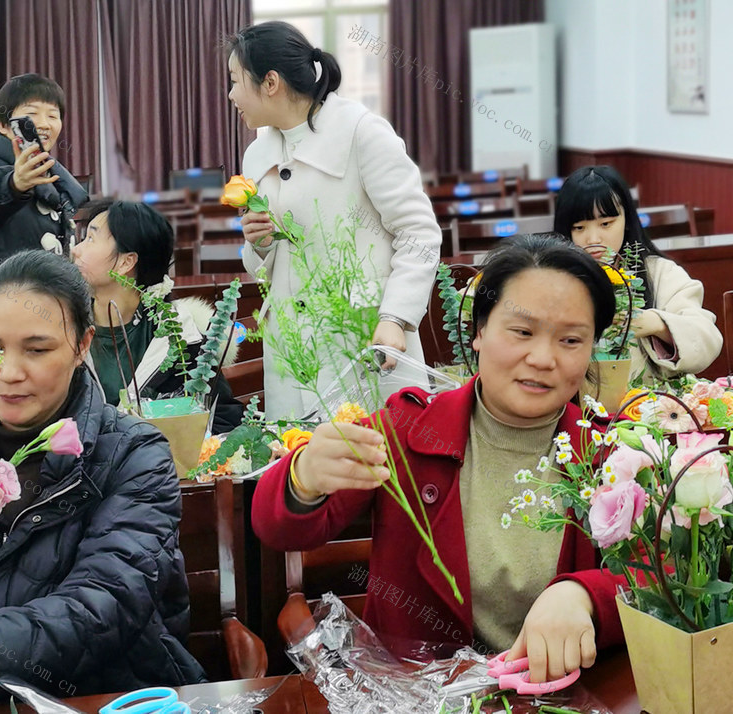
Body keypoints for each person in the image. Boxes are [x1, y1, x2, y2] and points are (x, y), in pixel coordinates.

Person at [252, 234, 627, 684]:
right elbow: (281, 528)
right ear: (480, 332)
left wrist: (584, 594)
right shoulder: (407, 431)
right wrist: (304, 477)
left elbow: (663, 575)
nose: (543, 358)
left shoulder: (611, 452)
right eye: (523, 332)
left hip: (567, 693)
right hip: (420, 696)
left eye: (570, 340)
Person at [0, 250, 206, 711]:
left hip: (105, 695)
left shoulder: (133, 453)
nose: (7, 373)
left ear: (82, 345)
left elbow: (109, 598)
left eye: (37, 350)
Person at [226, 21, 442, 420]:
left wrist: (395, 317)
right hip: (293, 350)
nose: (231, 94)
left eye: (236, 80)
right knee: (301, 454)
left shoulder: (361, 133)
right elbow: (264, 268)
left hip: (365, 340)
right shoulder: (257, 155)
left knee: (379, 451)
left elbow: (419, 233)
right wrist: (259, 244)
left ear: (270, 82)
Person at [71, 199, 244, 433]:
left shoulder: (180, 338)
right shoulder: (64, 329)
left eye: (91, 238)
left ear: (125, 262)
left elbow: (222, 419)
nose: (76, 250)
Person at [0, 73, 89, 348]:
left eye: (53, 115)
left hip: (29, 316)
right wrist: (14, 184)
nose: (44, 123)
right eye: (31, 114)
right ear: (3, 124)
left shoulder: (48, 173)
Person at [553, 165, 722, 382]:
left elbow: (706, 339)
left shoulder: (660, 273)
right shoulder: (553, 279)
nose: (593, 239)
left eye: (605, 224)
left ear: (626, 221)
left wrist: (656, 323)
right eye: (579, 228)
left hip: (651, 399)